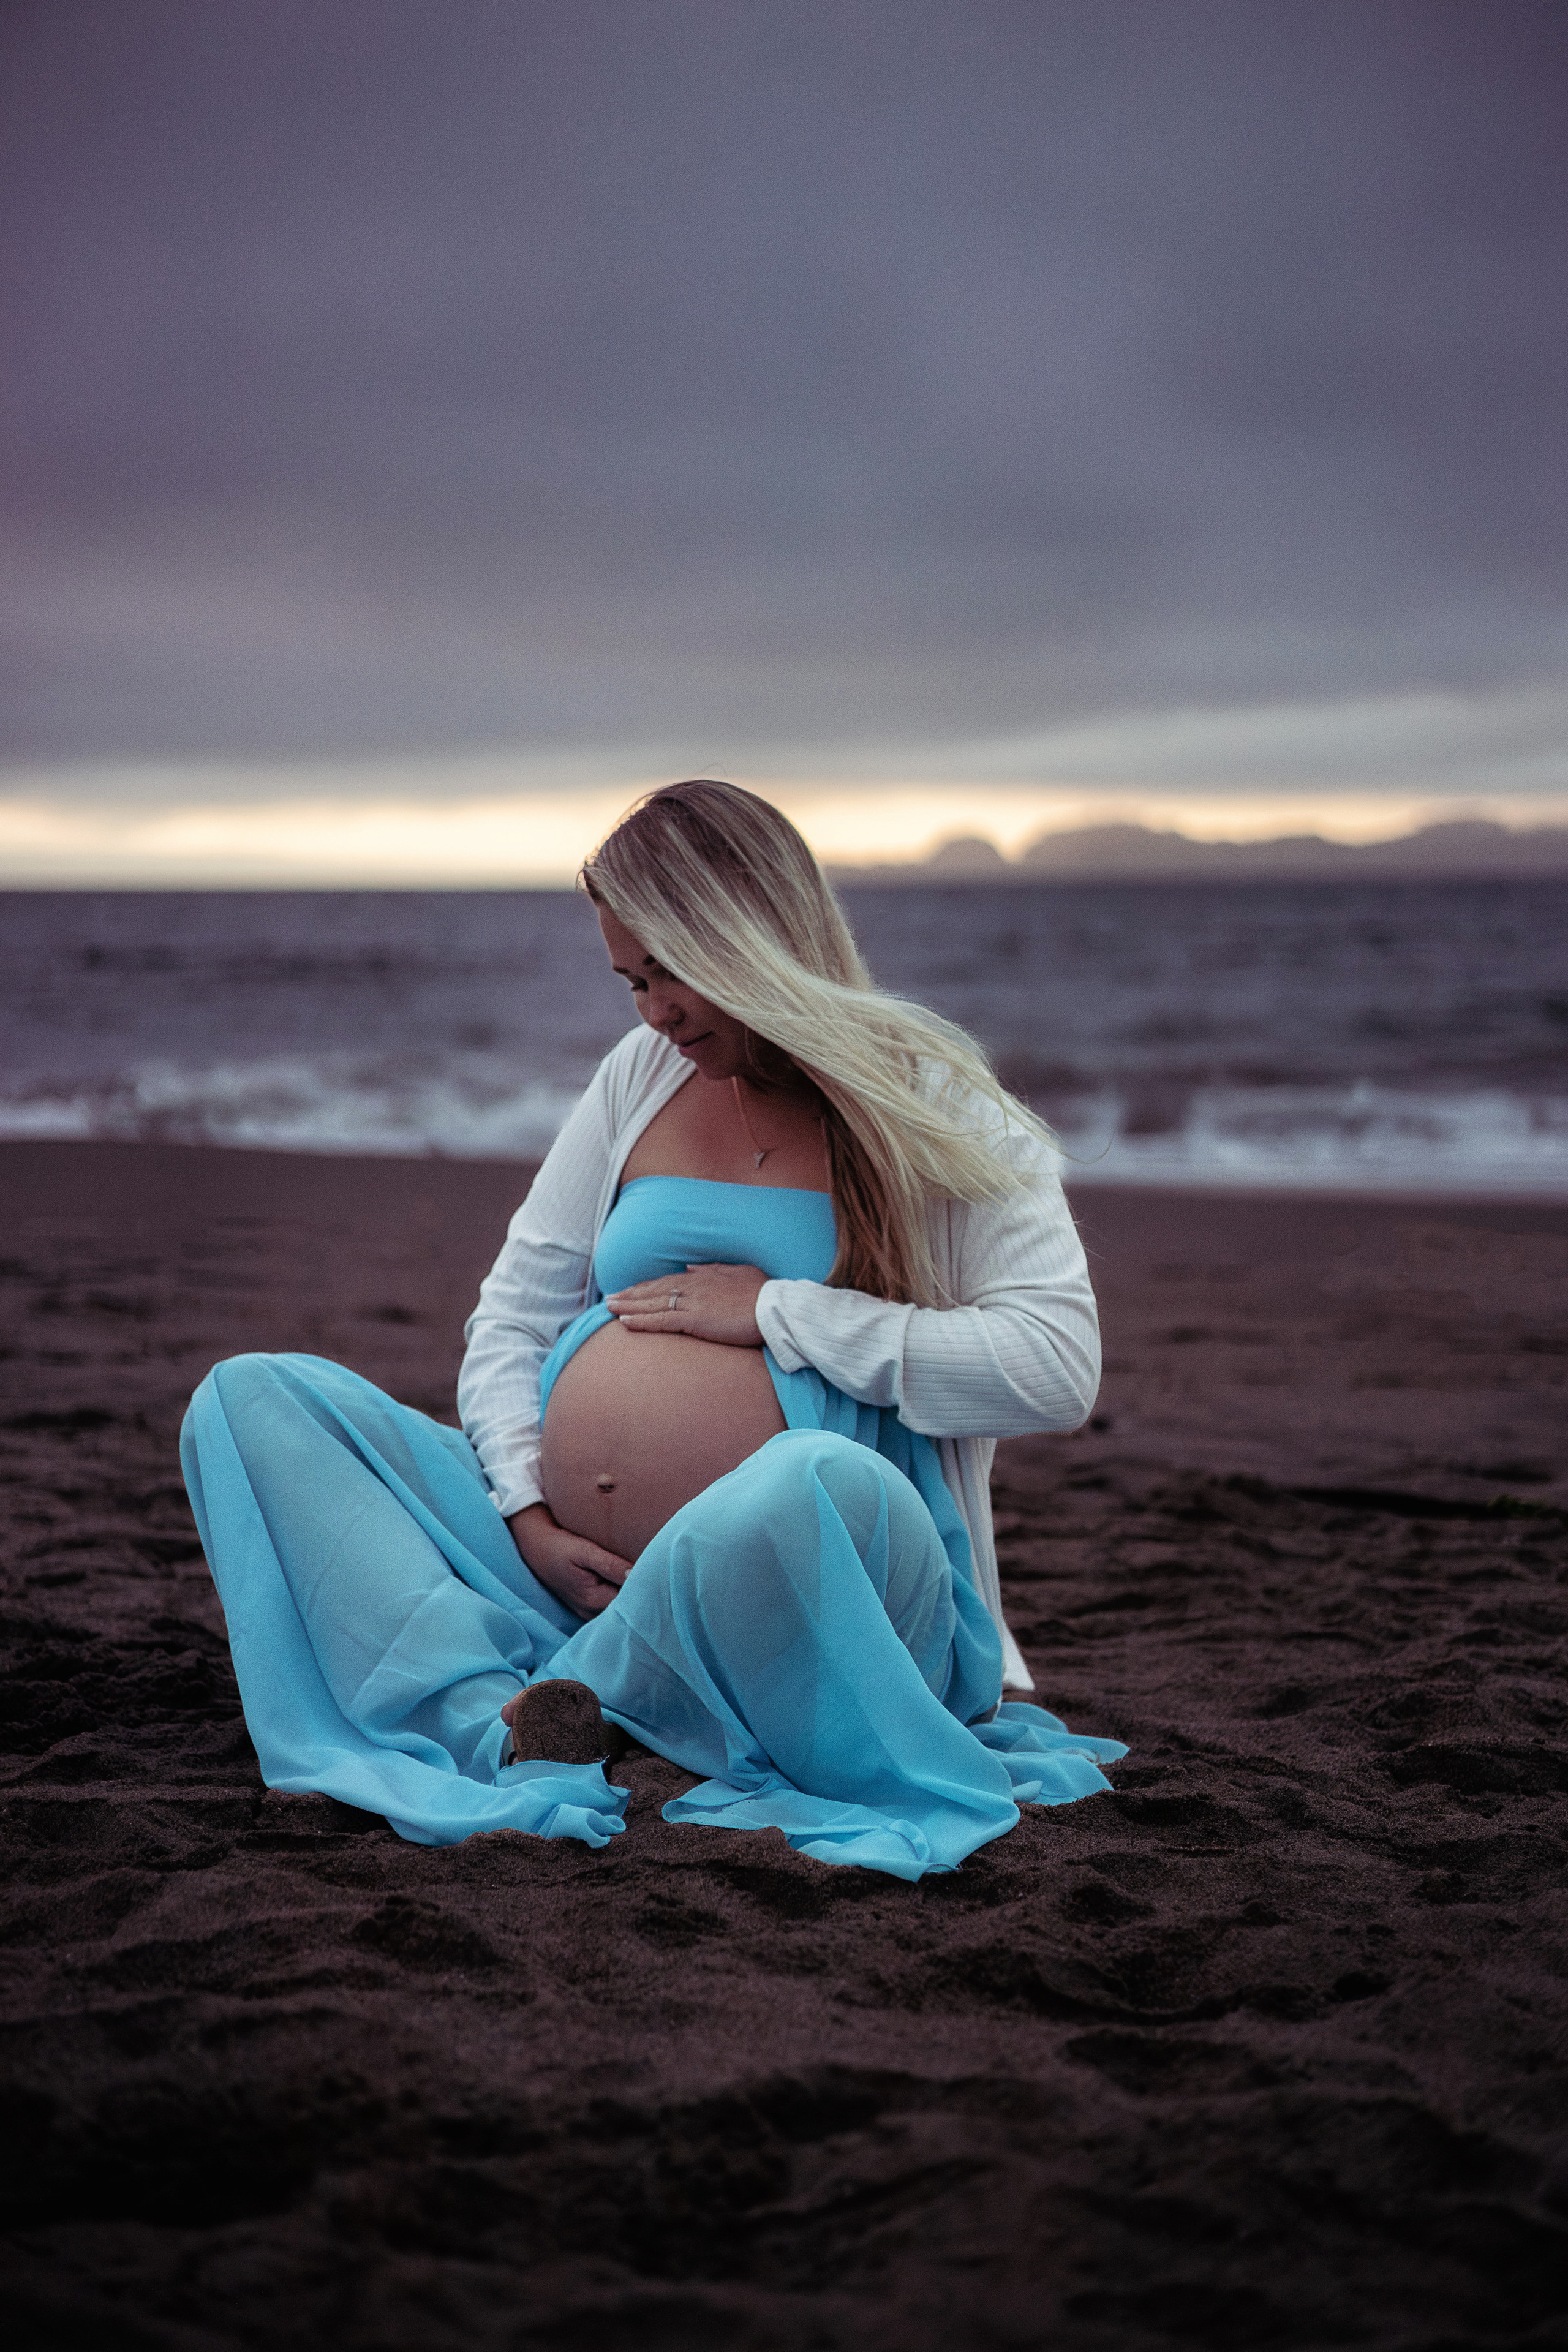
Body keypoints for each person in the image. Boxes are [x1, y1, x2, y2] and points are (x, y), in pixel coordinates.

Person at [182, 782, 1124, 1880]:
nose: (652, 1011)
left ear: (751, 939)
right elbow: (514, 1316)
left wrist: (780, 1313)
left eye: (669, 971)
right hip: (569, 1573)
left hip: (822, 1582)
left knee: (801, 1476)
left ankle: (566, 1702)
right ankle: (553, 1702)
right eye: (631, 980)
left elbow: (1056, 1369)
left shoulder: (937, 1102)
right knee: (252, 1399)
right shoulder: (640, 1078)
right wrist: (526, 1508)